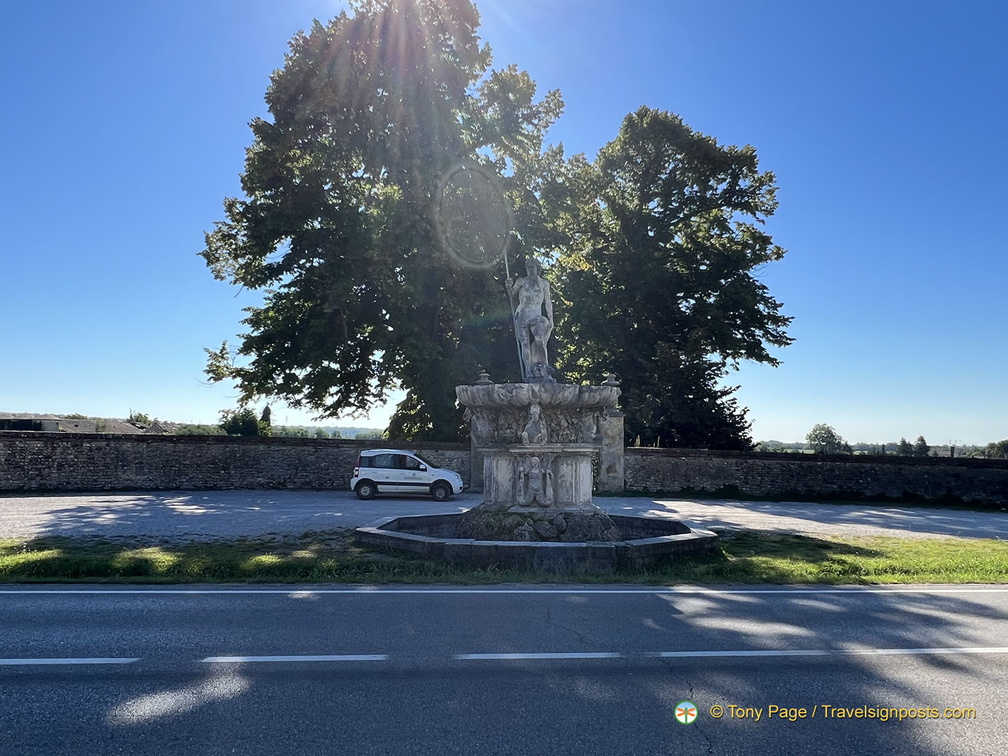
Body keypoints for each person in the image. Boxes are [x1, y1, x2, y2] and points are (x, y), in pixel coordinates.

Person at [508, 257, 554, 382]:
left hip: (536, 316)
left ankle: (544, 366)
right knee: (525, 344)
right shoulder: (521, 281)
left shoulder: (544, 283)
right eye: (528, 268)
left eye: (532, 267)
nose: (529, 270)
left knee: (540, 340)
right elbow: (512, 294)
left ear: (537, 268)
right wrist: (509, 286)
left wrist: (551, 319)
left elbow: (548, 302)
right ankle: (528, 370)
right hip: (521, 315)